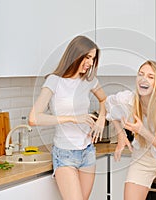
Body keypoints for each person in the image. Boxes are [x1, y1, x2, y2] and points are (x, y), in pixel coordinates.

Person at [29, 35, 106, 200]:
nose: (90, 63)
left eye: (92, 58)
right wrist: (72, 118)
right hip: (64, 154)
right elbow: (34, 118)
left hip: (87, 152)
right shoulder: (54, 81)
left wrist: (101, 119)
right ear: (75, 55)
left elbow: (104, 99)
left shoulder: (89, 81)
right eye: (87, 57)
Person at [106, 60, 156, 200]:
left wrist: (142, 131)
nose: (144, 79)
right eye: (141, 74)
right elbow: (109, 104)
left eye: (150, 76)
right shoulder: (129, 99)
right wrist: (120, 135)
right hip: (142, 155)